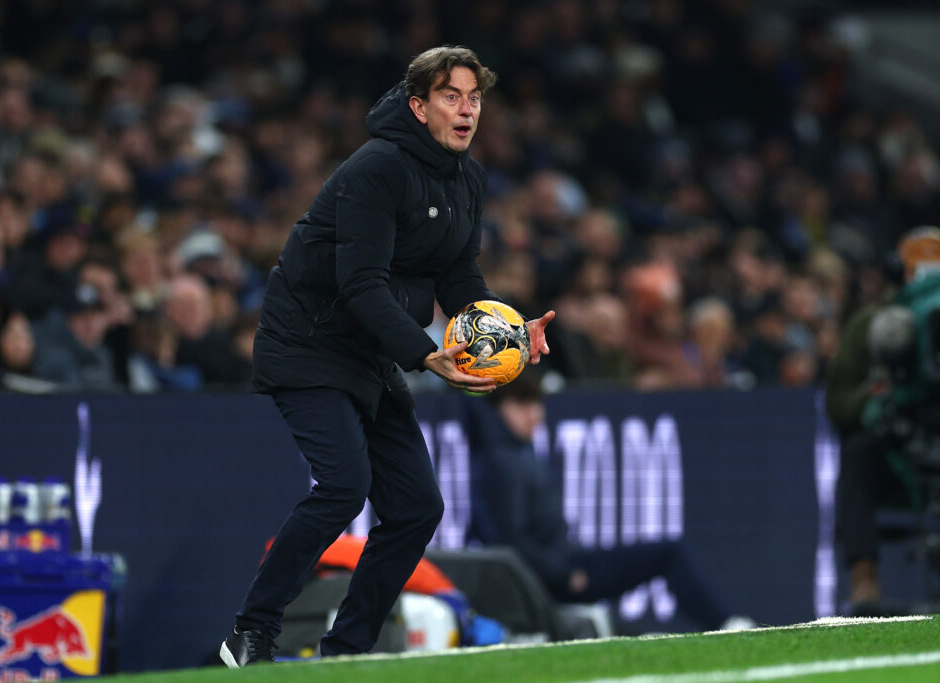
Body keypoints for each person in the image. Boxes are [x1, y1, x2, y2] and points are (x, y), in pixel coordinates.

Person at [220, 46, 555, 666]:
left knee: (417, 507)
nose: (466, 110)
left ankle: (345, 651)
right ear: (418, 105)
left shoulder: (469, 179)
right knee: (346, 484)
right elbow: (360, 284)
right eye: (451, 97)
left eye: (474, 98)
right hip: (310, 342)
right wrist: (426, 354)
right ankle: (252, 629)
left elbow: (457, 277)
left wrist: (506, 332)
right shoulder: (377, 167)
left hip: (371, 350)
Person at [467, 370, 754, 633]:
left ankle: (725, 622)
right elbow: (508, 542)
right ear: (497, 410)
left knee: (666, 554)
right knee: (667, 554)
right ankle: (725, 623)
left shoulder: (514, 454)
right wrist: (563, 574)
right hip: (555, 577)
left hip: (564, 564)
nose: (535, 416)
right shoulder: (499, 462)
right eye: (522, 406)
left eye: (536, 404)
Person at [826, 226, 940, 611]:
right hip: (902, 450)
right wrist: (874, 396)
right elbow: (837, 405)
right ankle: (863, 580)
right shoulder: (874, 325)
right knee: (858, 454)